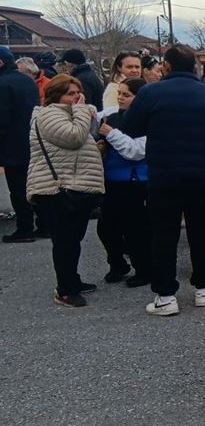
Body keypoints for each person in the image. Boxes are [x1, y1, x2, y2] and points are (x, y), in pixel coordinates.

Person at [122, 44, 205, 316]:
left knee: (163, 235)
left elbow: (130, 127)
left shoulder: (150, 93)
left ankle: (165, 295)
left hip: (162, 175)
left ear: (166, 66)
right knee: (201, 232)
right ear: (196, 66)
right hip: (200, 175)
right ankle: (204, 288)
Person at [26, 75, 104, 307]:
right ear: (56, 95)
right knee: (64, 241)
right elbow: (74, 138)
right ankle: (65, 289)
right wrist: (81, 111)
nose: (77, 98)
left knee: (73, 239)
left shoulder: (69, 114)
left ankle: (72, 279)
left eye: (79, 93)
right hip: (56, 189)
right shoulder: (49, 115)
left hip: (74, 186)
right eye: (71, 94)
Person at [96, 78, 152, 287]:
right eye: (119, 93)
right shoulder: (110, 117)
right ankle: (117, 264)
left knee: (134, 230)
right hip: (111, 180)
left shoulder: (147, 120)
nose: (120, 98)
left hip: (135, 181)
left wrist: (111, 134)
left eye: (126, 95)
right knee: (105, 227)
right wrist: (102, 147)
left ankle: (144, 269)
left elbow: (136, 151)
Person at [1, 48, 44, 243]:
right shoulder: (27, 81)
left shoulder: (3, 84)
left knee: (18, 189)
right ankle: (44, 225)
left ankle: (24, 229)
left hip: (11, 144)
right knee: (35, 185)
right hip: (32, 140)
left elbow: (2, 118)